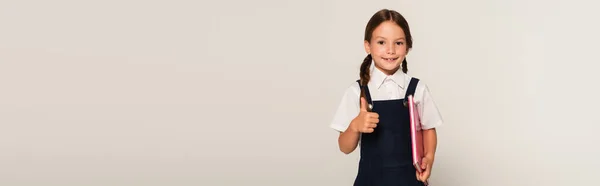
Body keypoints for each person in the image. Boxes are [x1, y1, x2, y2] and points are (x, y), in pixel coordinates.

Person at [329, 9, 444, 186]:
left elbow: (428, 127)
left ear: (408, 47)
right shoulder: (357, 92)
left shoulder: (417, 89)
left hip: (409, 181)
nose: (390, 50)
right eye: (381, 42)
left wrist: (429, 157)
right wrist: (355, 126)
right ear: (368, 46)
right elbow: (344, 147)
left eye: (398, 43)